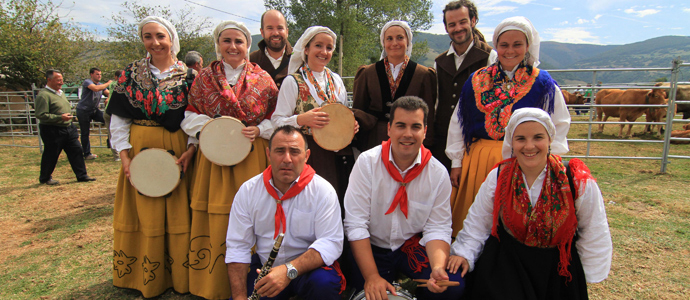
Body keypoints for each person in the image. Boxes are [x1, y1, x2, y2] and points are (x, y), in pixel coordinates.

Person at [447, 107, 612, 299]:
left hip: (557, 270)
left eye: (538, 137)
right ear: (512, 142)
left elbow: (593, 229)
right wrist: (464, 253)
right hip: (508, 265)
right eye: (521, 139)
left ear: (550, 139)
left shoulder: (574, 179)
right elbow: (478, 222)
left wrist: (586, 275)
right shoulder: (499, 176)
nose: (529, 146)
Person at [445, 16, 571, 236]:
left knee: (511, 222)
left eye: (517, 44)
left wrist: (551, 160)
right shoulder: (476, 80)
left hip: (523, 160)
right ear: (496, 46)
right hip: (478, 160)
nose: (510, 50)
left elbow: (559, 123)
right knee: (473, 223)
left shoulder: (542, 83)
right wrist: (456, 162)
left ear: (528, 46)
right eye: (504, 45)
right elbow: (458, 122)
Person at [180, 20, 278, 300]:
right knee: (217, 215)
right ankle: (213, 283)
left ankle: (257, 281)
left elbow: (276, 117)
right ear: (218, 45)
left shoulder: (264, 80)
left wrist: (259, 129)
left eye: (239, 41)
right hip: (214, 159)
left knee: (254, 214)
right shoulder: (203, 79)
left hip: (251, 156)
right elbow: (189, 115)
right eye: (227, 41)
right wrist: (213, 128)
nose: (233, 46)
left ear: (248, 46)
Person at [106, 16, 196, 298]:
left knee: (178, 210)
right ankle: (146, 276)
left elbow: (195, 117)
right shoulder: (129, 75)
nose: (155, 42)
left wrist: (191, 150)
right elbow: (118, 121)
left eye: (160, 36)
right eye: (148, 36)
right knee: (146, 212)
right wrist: (125, 159)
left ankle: (180, 275)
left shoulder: (190, 77)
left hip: (178, 150)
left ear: (171, 39)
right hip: (140, 150)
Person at [344, 96, 464, 300]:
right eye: (401, 126)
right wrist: (372, 276)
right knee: (368, 294)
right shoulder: (367, 163)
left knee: (451, 286)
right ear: (389, 129)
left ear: (425, 131)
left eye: (415, 127)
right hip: (371, 246)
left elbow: (438, 227)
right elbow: (356, 225)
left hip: (410, 246)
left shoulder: (437, 173)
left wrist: (437, 267)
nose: (408, 134)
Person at [225, 125, 345, 300]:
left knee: (323, 284)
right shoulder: (248, 191)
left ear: (307, 156)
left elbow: (331, 242)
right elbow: (238, 246)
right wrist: (239, 297)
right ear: (268, 154)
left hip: (309, 270)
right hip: (266, 267)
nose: (287, 159)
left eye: (295, 152)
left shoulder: (322, 190)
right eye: (279, 151)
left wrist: (288, 271)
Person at [271, 26, 358, 201]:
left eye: (329, 47)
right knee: (306, 202)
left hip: (336, 155)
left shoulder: (336, 80)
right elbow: (276, 121)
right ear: (306, 49)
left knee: (333, 200)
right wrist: (302, 119)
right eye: (318, 45)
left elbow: (343, 114)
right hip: (307, 153)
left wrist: (350, 125)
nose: (324, 51)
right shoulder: (292, 81)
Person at [352, 20, 437, 152]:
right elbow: (359, 109)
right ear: (383, 43)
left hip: (409, 139)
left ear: (408, 41)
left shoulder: (423, 74)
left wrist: (427, 143)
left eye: (400, 38)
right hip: (374, 139)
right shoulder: (368, 73)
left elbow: (428, 113)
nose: (394, 43)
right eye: (389, 38)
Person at [433, 0, 496, 171]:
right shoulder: (439, 61)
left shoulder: (490, 57)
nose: (458, 28)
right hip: (442, 141)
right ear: (446, 28)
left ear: (473, 21)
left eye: (463, 22)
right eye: (452, 24)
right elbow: (436, 102)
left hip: (475, 142)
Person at [35, 69, 96, 185]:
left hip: (68, 128)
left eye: (62, 80)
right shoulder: (44, 96)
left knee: (77, 150)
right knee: (51, 154)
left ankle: (82, 175)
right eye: (58, 80)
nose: (61, 83)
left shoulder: (60, 93)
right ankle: (45, 178)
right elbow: (40, 115)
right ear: (49, 80)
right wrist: (59, 117)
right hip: (52, 130)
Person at [249, 9, 292, 89]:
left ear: (287, 32)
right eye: (270, 28)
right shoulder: (250, 61)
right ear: (262, 32)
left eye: (280, 28)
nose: (275, 33)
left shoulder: (300, 59)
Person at [77, 67, 112, 160]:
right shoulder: (87, 82)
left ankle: (110, 143)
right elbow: (96, 89)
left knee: (110, 122)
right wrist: (108, 83)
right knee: (85, 132)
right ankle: (87, 154)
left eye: (100, 74)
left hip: (94, 110)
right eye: (97, 74)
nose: (99, 76)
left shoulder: (100, 85)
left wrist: (108, 97)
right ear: (91, 74)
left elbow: (109, 93)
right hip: (83, 110)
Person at [103, 70, 123, 161]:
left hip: (109, 110)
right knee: (116, 133)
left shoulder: (112, 84)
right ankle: (118, 155)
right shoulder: (120, 84)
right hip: (114, 111)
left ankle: (117, 155)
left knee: (112, 133)